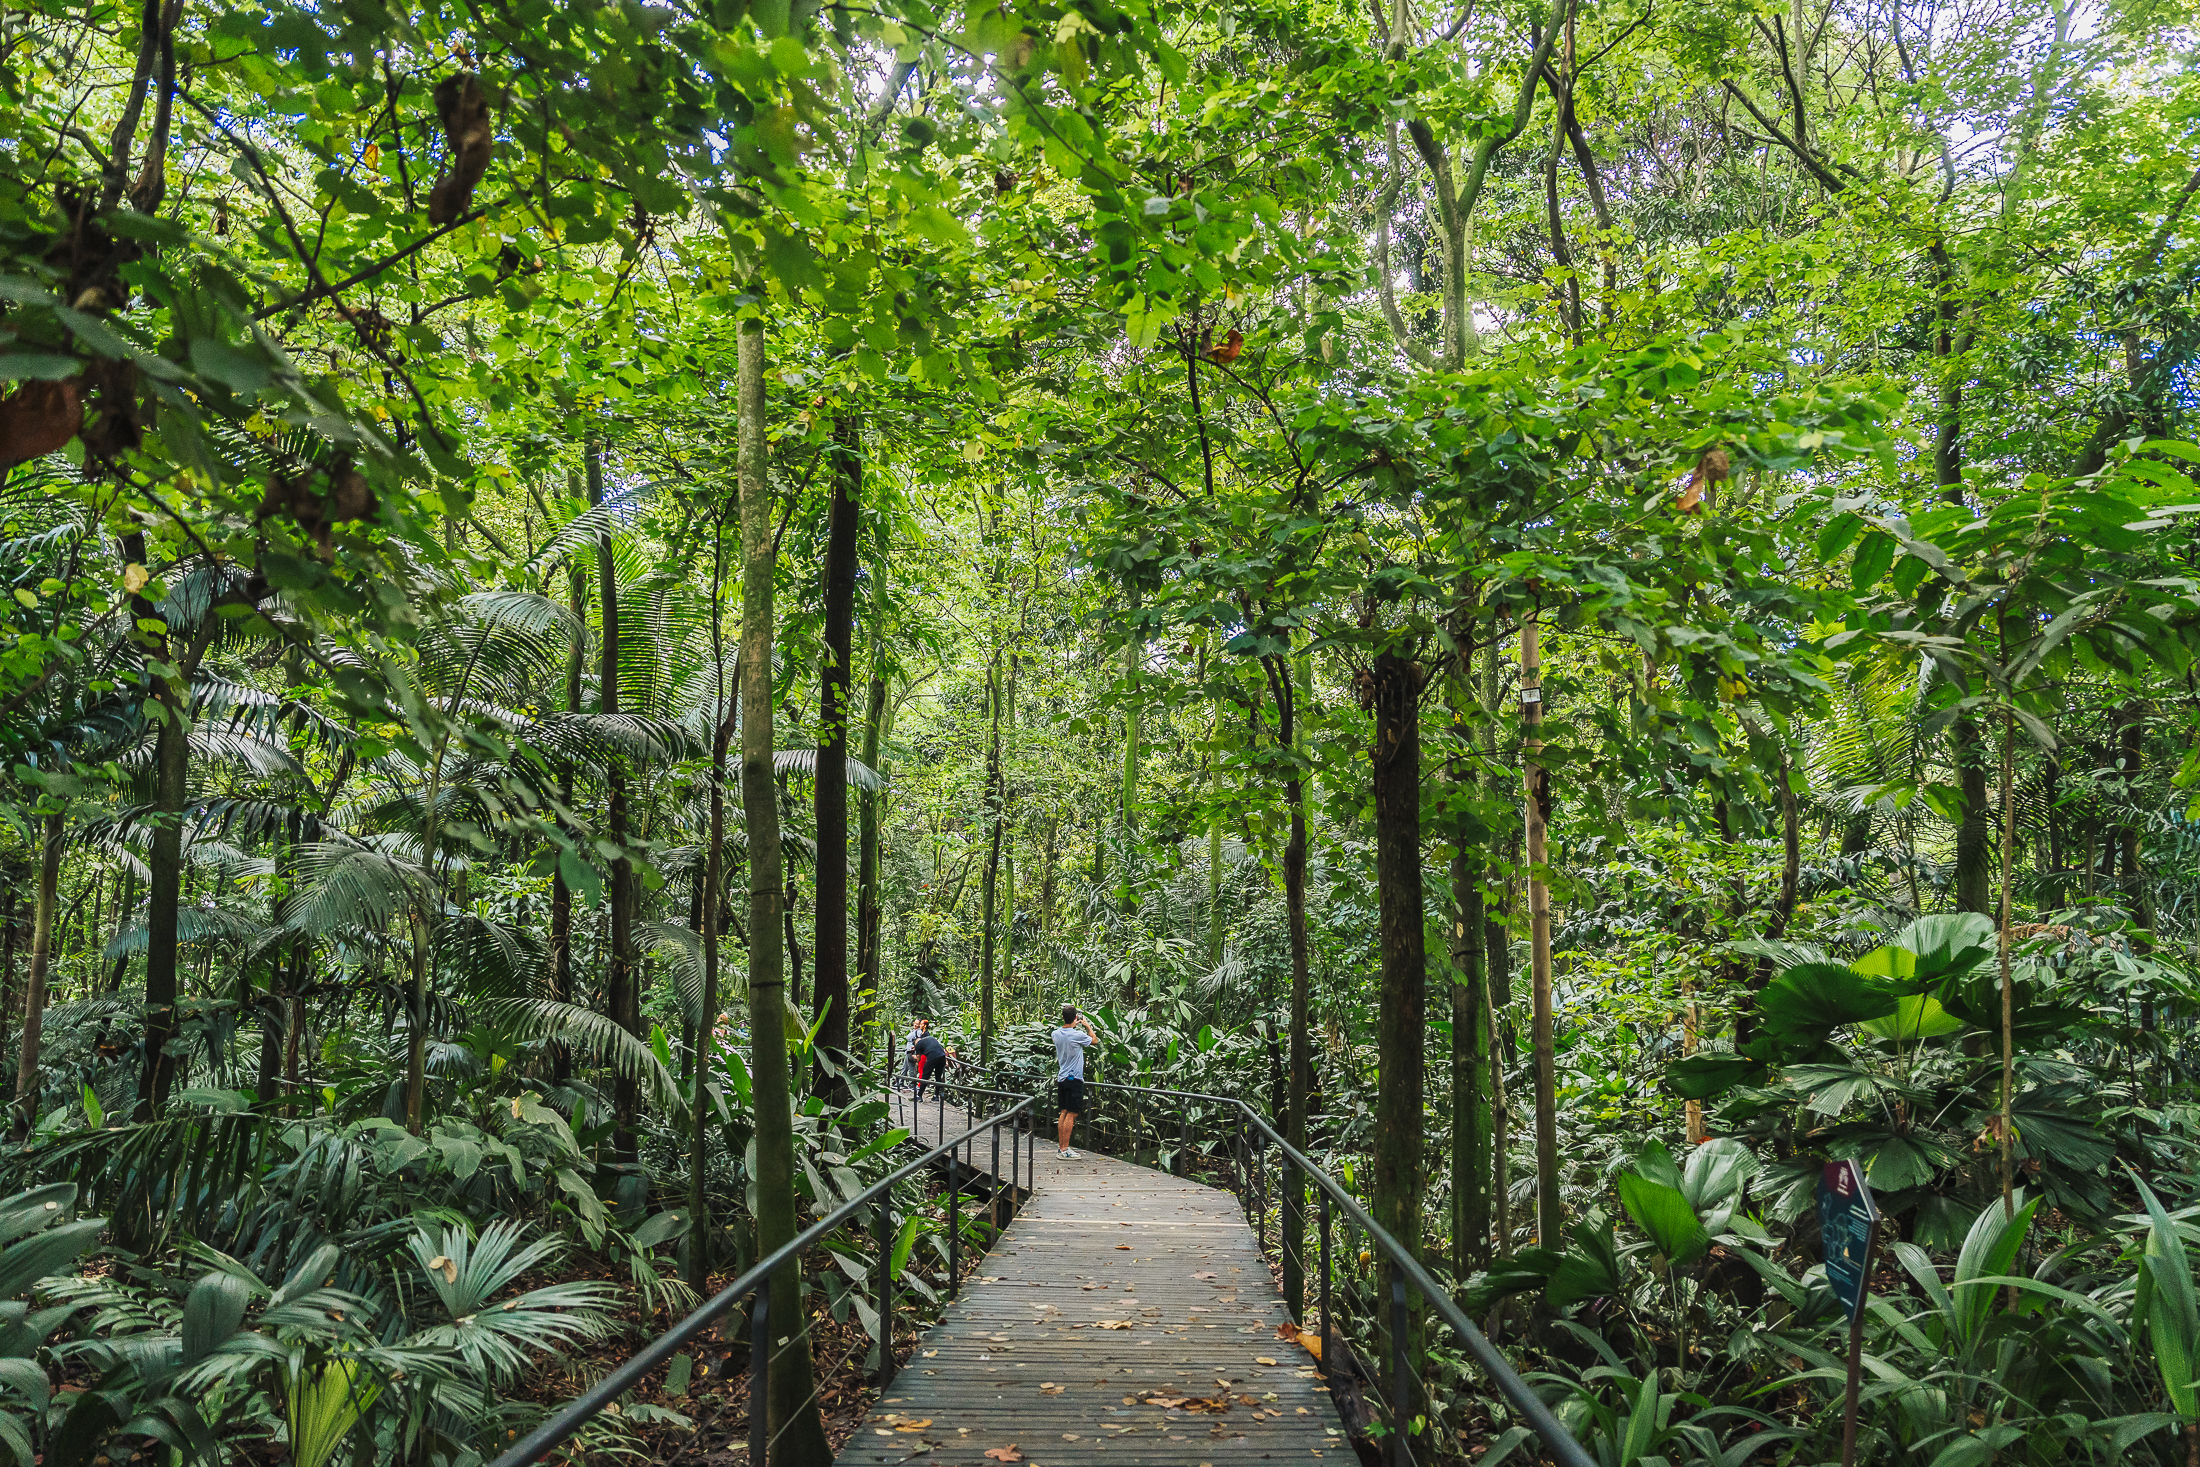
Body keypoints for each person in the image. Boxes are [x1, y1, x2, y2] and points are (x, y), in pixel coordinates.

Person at [1051, 1003, 1098, 1159]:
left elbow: (1065, 1032)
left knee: (1063, 1111)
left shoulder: (1055, 1034)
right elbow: (1094, 1041)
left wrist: (1072, 1024)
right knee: (1072, 1113)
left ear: (1063, 1017)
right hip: (1074, 1078)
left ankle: (1061, 1148)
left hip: (1062, 1077)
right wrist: (1087, 1026)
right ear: (1076, 1018)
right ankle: (1065, 1149)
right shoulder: (1077, 1035)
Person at [912, 1026, 949, 1099]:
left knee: (925, 1076)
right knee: (938, 1076)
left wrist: (914, 1058)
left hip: (933, 1057)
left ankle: (919, 1095)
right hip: (942, 1056)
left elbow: (918, 1059)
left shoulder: (918, 1045)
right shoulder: (930, 1038)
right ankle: (936, 1096)